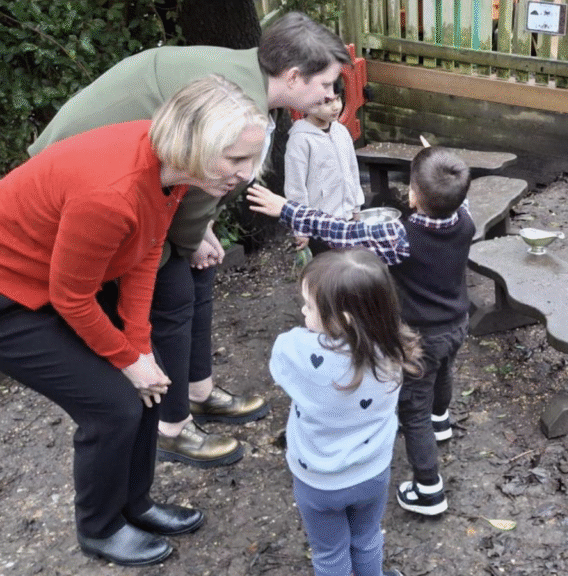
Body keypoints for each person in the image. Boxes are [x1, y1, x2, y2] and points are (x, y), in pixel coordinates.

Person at [28, 11, 351, 468]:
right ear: (294, 76)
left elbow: (195, 184)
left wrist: (200, 233)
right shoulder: (244, 104)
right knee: (175, 290)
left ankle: (198, 391)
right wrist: (193, 237)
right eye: (326, 84)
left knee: (199, 269)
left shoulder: (247, 74)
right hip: (87, 184)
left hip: (147, 177)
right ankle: (171, 427)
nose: (329, 95)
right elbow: (202, 177)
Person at [0, 75, 268, 566]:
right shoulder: (111, 191)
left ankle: (135, 504)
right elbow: (73, 297)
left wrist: (139, 346)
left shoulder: (168, 171)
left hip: (59, 283)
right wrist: (126, 357)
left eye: (251, 160)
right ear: (195, 143)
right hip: (12, 296)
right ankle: (100, 528)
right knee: (113, 407)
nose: (246, 175)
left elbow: (144, 255)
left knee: (151, 384)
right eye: (236, 160)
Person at [248, 146, 474, 517]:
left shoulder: (399, 234)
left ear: (413, 195)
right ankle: (442, 420)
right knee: (444, 371)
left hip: (421, 335)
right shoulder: (465, 218)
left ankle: (429, 487)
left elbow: (341, 230)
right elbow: (454, 197)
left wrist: (287, 209)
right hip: (456, 324)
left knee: (411, 408)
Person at [270, 249, 419, 576]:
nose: (303, 311)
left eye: (310, 306)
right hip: (372, 472)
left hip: (317, 480)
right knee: (367, 538)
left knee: (328, 554)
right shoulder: (394, 351)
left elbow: (281, 361)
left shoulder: (294, 349)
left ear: (343, 320)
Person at [285, 92, 365, 255]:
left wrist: (356, 208)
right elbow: (296, 188)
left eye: (338, 99)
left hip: (347, 219)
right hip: (320, 225)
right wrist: (301, 228)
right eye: (327, 102)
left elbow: (352, 171)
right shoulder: (300, 140)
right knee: (329, 273)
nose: (336, 106)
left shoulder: (341, 132)